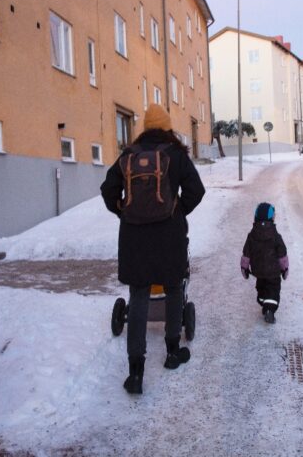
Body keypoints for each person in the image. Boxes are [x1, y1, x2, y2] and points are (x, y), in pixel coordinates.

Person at [100, 103, 205, 395]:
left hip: (134, 238)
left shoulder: (128, 155)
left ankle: (135, 373)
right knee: (173, 289)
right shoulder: (176, 155)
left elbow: (108, 191)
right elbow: (196, 191)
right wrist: (177, 211)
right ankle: (172, 352)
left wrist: (124, 212)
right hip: (169, 235)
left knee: (138, 295)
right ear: (167, 126)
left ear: (145, 127)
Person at [240, 202, 289, 324]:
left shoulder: (251, 235)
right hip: (273, 272)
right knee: (273, 290)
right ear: (271, 218)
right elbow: (282, 255)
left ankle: (263, 303)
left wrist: (244, 268)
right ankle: (270, 310)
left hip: (258, 271)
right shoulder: (276, 236)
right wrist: (284, 269)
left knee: (261, 288)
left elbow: (246, 253)